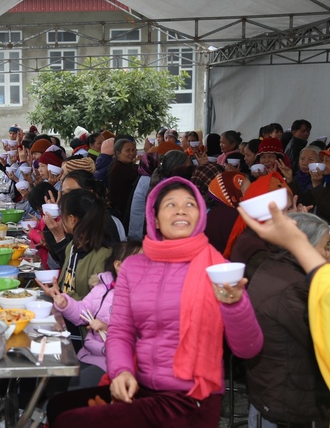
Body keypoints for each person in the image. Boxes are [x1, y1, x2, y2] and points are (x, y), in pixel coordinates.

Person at [46, 177, 263, 428]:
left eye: (190, 204)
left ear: (200, 215)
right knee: (57, 406)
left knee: (71, 421)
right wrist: (121, 371)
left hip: (190, 397)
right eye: (171, 204)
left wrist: (235, 304)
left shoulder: (218, 269)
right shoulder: (134, 266)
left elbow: (248, 349)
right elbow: (120, 331)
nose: (181, 210)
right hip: (140, 384)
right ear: (155, 219)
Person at [246, 212, 330, 428]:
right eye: (326, 246)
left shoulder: (276, 266)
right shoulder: (294, 287)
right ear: (305, 245)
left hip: (275, 389)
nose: (328, 254)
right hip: (290, 400)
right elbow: (320, 339)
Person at [39, 241, 142, 390]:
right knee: (54, 377)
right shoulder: (102, 288)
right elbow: (83, 313)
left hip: (114, 362)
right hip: (88, 354)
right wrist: (64, 303)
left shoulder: (144, 295)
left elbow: (141, 334)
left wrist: (107, 327)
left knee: (75, 386)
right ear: (118, 266)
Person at [55, 189, 118, 300]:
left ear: (71, 219)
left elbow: (97, 302)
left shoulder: (104, 255)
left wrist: (64, 297)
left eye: (62, 215)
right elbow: (65, 284)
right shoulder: (73, 246)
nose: (60, 220)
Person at [107, 136, 138, 229]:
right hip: (121, 211)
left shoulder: (127, 166)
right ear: (118, 153)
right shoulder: (119, 168)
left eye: (133, 150)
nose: (132, 153)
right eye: (128, 151)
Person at [128, 151, 160, 241]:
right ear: (151, 164)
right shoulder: (147, 181)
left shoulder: (145, 178)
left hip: (138, 226)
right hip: (140, 228)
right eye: (158, 163)